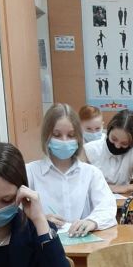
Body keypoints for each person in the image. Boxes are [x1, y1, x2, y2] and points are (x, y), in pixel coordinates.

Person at [26, 102, 117, 237]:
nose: (64, 140)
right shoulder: (30, 172)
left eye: (71, 135)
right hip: (44, 245)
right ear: (46, 136)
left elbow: (107, 208)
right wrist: (39, 220)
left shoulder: (91, 173)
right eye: (57, 135)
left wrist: (92, 221)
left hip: (83, 245)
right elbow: (14, 212)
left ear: (78, 138)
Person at [83, 109, 133, 195]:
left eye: (124, 143)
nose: (117, 146)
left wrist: (126, 188)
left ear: (132, 143)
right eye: (114, 139)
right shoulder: (90, 149)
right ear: (109, 131)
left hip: (119, 202)